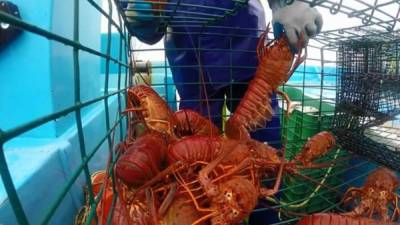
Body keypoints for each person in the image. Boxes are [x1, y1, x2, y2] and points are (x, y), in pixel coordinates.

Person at [121, 0, 323, 224]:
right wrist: (138, 11)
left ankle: (265, 218)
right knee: (195, 161)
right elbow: (147, 28)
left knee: (266, 143)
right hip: (188, 50)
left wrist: (286, 3)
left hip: (243, 38)